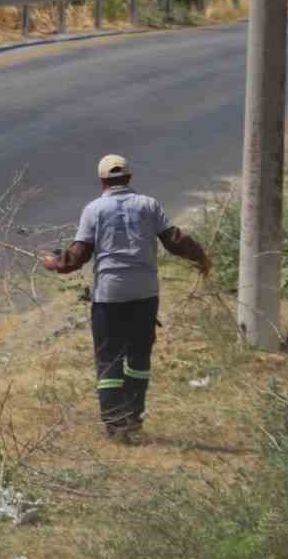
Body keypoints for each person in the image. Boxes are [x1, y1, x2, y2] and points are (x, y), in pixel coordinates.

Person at [42, 154, 211, 443]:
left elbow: (76, 257)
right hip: (145, 294)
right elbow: (175, 241)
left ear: (102, 181)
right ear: (129, 178)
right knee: (138, 356)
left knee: (108, 359)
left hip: (109, 295)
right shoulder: (149, 205)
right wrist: (202, 259)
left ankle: (115, 424)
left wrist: (54, 263)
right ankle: (133, 417)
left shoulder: (94, 210)